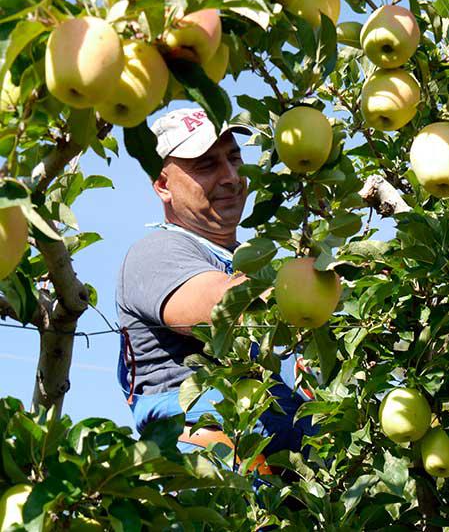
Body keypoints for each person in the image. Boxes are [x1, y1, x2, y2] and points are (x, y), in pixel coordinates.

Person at [115, 108, 313, 459]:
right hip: (218, 493)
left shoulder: (252, 262)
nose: (231, 177)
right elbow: (225, 308)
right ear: (163, 185)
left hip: (297, 492)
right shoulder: (157, 252)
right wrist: (325, 282)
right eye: (207, 166)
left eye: (234, 158)